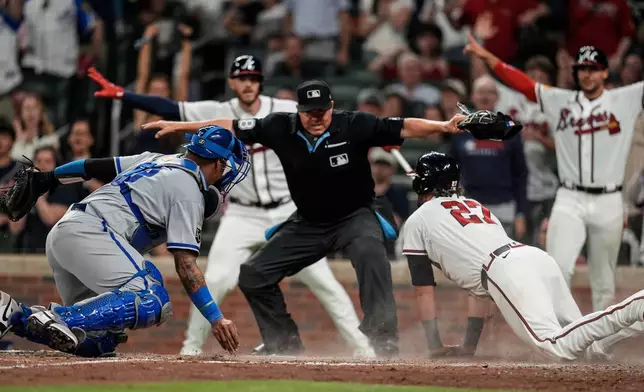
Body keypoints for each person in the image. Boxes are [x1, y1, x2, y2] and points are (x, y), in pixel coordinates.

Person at [143, 79, 466, 356]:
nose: (315, 118)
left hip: (355, 215)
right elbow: (229, 126)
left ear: (332, 106)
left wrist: (443, 126)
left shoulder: (355, 124)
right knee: (254, 274)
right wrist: (182, 126)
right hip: (309, 222)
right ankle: (283, 342)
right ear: (297, 109)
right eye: (308, 112)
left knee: (371, 254)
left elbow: (403, 125)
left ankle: (385, 340)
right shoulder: (279, 126)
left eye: (321, 111)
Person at [88, 55, 374, 357]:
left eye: (253, 77)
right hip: (241, 212)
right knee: (216, 279)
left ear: (260, 81)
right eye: (242, 77)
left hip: (288, 213)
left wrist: (375, 136)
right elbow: (170, 108)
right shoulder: (219, 111)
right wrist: (123, 94)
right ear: (232, 82)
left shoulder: (287, 110)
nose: (247, 83)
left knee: (325, 283)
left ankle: (365, 349)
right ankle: (191, 349)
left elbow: (337, 119)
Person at [0, 125, 246, 357]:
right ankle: (58, 317)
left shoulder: (156, 158)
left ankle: (14, 315)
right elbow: (186, 266)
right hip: (92, 233)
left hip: (67, 232)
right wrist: (216, 318)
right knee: (152, 298)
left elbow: (93, 166)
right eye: (226, 166)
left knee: (97, 341)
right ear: (218, 163)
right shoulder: (190, 190)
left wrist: (49, 178)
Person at [401, 151, 644, 361]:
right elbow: (478, 289)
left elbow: (423, 290)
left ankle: (636, 306)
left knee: (555, 347)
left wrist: (434, 346)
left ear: (422, 183)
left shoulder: (418, 220)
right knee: (586, 346)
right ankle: (639, 316)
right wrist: (469, 347)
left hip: (506, 269)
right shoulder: (475, 205)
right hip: (533, 258)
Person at [465, 33, 644, 312]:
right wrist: (487, 57)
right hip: (569, 196)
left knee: (604, 280)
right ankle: (564, 334)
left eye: (593, 69)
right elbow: (523, 84)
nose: (587, 74)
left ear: (606, 72)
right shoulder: (560, 100)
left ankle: (599, 346)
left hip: (610, 199)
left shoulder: (626, 98)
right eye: (582, 69)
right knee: (558, 270)